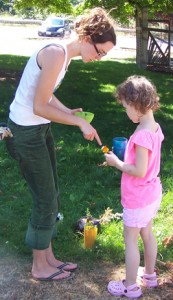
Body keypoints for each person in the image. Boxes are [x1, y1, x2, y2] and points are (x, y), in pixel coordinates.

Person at [5, 7, 116, 281]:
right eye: (100, 52)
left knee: (52, 193)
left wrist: (70, 113)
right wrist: (78, 123)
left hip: (38, 128)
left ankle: (50, 258)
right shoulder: (55, 53)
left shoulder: (64, 57)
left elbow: (48, 96)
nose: (99, 58)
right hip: (26, 133)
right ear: (88, 37)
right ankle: (39, 267)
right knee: (44, 199)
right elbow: (39, 105)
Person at [105, 75, 164, 298]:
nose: (125, 111)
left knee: (130, 238)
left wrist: (117, 163)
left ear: (137, 104)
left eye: (126, 107)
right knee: (146, 233)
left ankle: (130, 286)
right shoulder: (155, 127)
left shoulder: (141, 135)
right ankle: (149, 275)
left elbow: (139, 170)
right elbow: (146, 164)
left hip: (138, 197)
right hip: (152, 193)